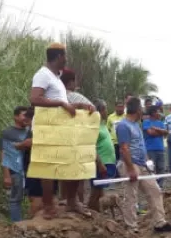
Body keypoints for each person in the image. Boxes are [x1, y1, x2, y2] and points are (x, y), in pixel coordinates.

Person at [115, 97, 171, 233]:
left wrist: (147, 162)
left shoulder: (136, 124)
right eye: (141, 108)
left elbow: (141, 145)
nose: (143, 111)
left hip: (142, 164)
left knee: (154, 190)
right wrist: (130, 169)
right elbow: (124, 148)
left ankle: (160, 223)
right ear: (137, 110)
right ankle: (131, 227)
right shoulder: (123, 126)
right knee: (131, 196)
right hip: (129, 164)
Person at [28, 42, 73, 220]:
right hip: (46, 128)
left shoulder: (56, 77)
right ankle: (48, 207)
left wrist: (72, 105)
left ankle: (62, 202)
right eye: (65, 56)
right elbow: (34, 99)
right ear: (59, 56)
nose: (66, 60)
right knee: (47, 167)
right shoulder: (43, 75)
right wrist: (62, 103)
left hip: (57, 128)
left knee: (60, 165)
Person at [60, 68, 96, 210]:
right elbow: (93, 110)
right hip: (76, 139)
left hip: (59, 139)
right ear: (70, 82)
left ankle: (64, 199)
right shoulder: (75, 97)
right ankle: (75, 202)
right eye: (75, 81)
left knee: (63, 173)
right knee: (77, 176)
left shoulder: (54, 97)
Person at [0, 106, 30, 223]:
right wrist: (6, 175)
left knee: (32, 197)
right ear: (15, 117)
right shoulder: (7, 133)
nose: (26, 118)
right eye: (23, 115)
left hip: (29, 169)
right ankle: (16, 224)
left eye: (28, 116)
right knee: (15, 199)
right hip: (14, 170)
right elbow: (4, 153)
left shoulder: (30, 131)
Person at [88, 100, 117, 213]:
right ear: (99, 111)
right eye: (104, 109)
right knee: (96, 189)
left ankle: (98, 214)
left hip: (108, 161)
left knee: (100, 190)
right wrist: (99, 163)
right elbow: (91, 146)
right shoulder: (94, 127)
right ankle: (89, 212)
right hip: (101, 162)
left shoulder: (103, 124)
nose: (106, 111)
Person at [142, 105, 168, 187]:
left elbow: (166, 132)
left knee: (161, 168)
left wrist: (156, 129)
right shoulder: (146, 122)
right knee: (151, 168)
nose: (159, 113)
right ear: (153, 113)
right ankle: (153, 185)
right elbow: (151, 133)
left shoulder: (160, 123)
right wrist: (161, 132)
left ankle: (160, 185)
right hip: (150, 149)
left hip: (160, 148)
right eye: (157, 111)